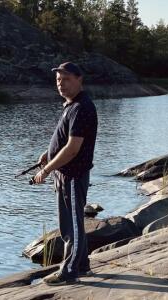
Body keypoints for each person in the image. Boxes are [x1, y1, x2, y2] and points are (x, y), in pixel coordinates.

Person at [33, 62, 98, 286]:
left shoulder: (82, 107)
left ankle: (69, 271)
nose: (61, 84)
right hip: (63, 174)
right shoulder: (71, 105)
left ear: (79, 79)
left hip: (72, 174)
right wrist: (48, 154)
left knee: (72, 225)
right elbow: (63, 139)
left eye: (67, 79)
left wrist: (46, 169)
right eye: (59, 80)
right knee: (69, 223)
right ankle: (82, 266)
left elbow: (72, 149)